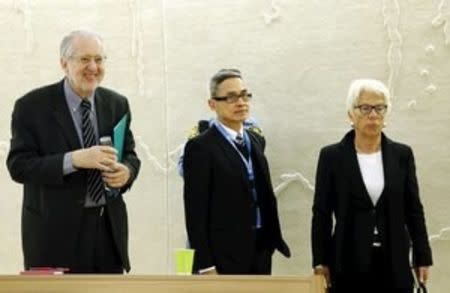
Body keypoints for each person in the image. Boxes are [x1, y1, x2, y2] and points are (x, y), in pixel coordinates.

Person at [6, 30, 140, 274]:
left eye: (99, 60)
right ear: (63, 63)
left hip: (107, 233)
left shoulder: (117, 104)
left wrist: (127, 172)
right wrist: (74, 160)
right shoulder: (31, 106)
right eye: (84, 59)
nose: (93, 67)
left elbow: (130, 155)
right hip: (53, 235)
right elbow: (19, 166)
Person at [311, 79, 432, 292]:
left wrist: (422, 255)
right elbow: (321, 213)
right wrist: (320, 260)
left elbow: (414, 209)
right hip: (348, 260)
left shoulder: (402, 155)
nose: (373, 115)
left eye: (380, 108)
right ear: (351, 114)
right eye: (365, 108)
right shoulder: (332, 157)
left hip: (394, 259)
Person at [182, 68, 290, 275]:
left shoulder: (256, 140)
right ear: (212, 104)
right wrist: (205, 264)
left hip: (260, 247)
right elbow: (195, 211)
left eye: (244, 95)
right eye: (231, 97)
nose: (241, 102)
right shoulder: (201, 147)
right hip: (223, 253)